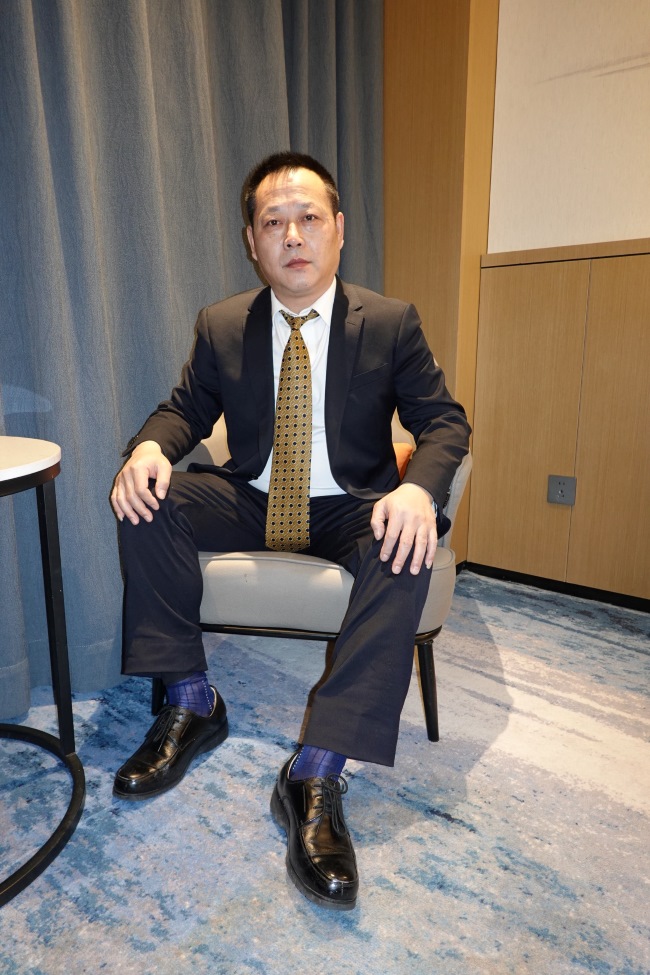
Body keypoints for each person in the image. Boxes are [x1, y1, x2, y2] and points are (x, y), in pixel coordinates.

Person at [110, 151, 470, 911]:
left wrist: (415, 489)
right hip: (252, 495)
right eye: (274, 222)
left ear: (338, 229)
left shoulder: (390, 322)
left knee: (405, 545)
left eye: (309, 218)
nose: (293, 235)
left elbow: (444, 422)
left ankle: (316, 767)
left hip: (350, 504)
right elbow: (184, 410)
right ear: (253, 241)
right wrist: (147, 449)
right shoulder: (222, 324)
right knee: (148, 495)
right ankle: (191, 699)